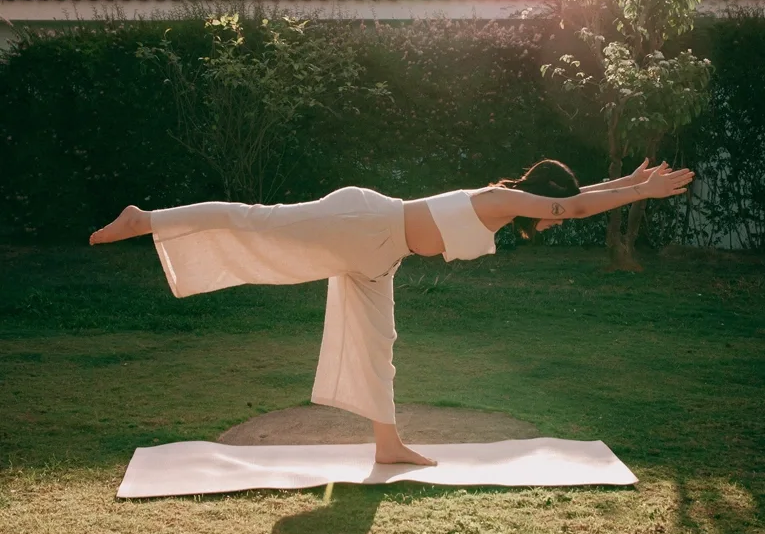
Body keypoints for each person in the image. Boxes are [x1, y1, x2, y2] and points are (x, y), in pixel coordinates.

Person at [90, 158, 694, 466]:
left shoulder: (514, 205)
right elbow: (573, 207)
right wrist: (639, 192)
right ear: (542, 196)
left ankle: (388, 444)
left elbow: (573, 200)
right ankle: (147, 219)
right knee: (261, 221)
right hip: (364, 222)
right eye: (552, 209)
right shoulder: (500, 199)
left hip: (381, 256)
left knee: (378, 342)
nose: (551, 221)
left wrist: (626, 180)